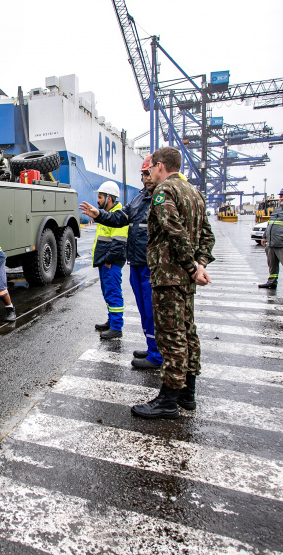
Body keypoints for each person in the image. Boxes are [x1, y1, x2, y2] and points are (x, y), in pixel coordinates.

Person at [131, 146, 215, 419]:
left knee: (171, 337)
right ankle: (187, 393)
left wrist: (191, 267)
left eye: (151, 168)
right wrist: (199, 265)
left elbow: (173, 230)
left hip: (169, 276)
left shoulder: (164, 192)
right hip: (186, 279)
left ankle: (168, 400)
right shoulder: (195, 193)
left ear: (159, 166)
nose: (150, 174)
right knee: (188, 331)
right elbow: (207, 236)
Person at [122, 156, 165, 369]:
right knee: (144, 310)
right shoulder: (139, 198)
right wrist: (99, 214)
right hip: (137, 263)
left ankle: (158, 355)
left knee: (152, 310)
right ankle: (152, 347)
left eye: (149, 173)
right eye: (143, 174)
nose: (146, 178)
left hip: (152, 266)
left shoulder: (163, 197)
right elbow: (122, 217)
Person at [78, 182, 129, 340]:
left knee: (113, 293)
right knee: (108, 293)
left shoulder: (117, 215)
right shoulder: (108, 216)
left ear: (110, 198)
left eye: (100, 197)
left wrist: (108, 260)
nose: (98, 201)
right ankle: (111, 321)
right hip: (106, 262)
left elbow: (119, 242)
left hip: (110, 263)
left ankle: (116, 327)